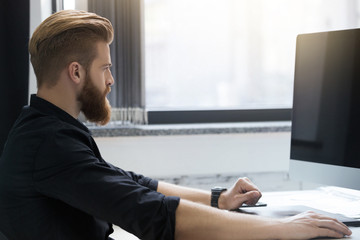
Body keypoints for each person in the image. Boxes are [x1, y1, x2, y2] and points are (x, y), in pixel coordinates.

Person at [0, 9, 351, 240]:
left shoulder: (48, 130)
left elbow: (131, 183)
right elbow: (150, 212)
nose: (111, 80)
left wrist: (219, 199)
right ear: (75, 72)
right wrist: (278, 229)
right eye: (105, 68)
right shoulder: (48, 144)